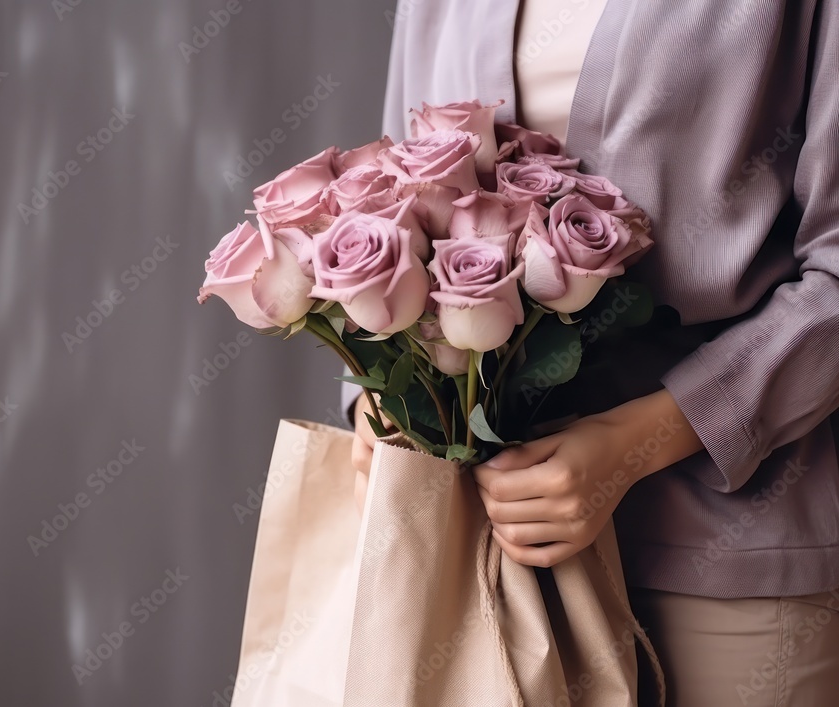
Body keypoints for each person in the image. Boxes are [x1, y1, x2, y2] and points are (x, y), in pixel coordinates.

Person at [346, 1, 839, 704]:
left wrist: (643, 439)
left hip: (724, 550)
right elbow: (396, 203)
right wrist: (381, 395)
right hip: (480, 551)